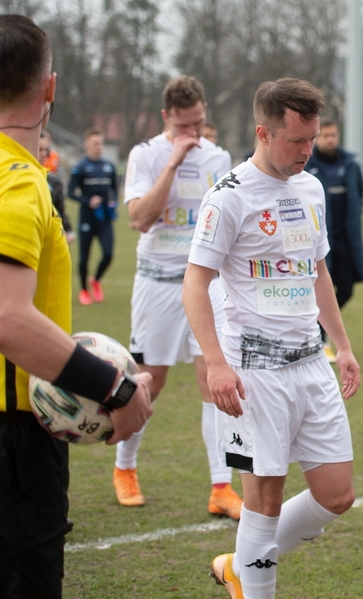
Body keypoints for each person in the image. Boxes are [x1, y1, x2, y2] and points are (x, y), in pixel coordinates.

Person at [184, 78, 361, 599]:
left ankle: (241, 566)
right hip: (253, 368)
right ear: (263, 132)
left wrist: (343, 346)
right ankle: (255, 583)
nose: (308, 151)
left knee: (337, 494)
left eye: (311, 139)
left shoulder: (311, 188)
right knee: (263, 496)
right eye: (296, 141)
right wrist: (216, 363)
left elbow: (319, 271)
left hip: (311, 361)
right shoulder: (228, 197)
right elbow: (195, 284)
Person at [0, 15, 152, 598]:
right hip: (13, 444)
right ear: (50, 89)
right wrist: (114, 389)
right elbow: (10, 319)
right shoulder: (19, 182)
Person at [120, 75, 243, 518]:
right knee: (150, 380)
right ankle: (125, 467)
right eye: (186, 125)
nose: (195, 133)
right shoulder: (146, 155)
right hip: (157, 282)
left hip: (206, 287)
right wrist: (172, 163)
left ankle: (220, 487)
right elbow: (139, 218)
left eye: (200, 123)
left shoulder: (219, 157)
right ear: (167, 118)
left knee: (215, 380)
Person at [305, 117, 363, 361]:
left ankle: (320, 328)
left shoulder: (350, 164)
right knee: (319, 287)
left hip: (346, 240)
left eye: (333, 135)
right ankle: (320, 339)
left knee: (347, 288)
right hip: (320, 240)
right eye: (325, 136)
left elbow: (359, 195)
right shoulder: (310, 164)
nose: (330, 140)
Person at [68, 129, 118, 305]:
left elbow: (115, 189)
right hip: (87, 219)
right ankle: (83, 290)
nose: (99, 147)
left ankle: (95, 280)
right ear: (86, 144)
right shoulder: (80, 167)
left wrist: (114, 202)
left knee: (108, 254)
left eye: (101, 143)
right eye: (95, 143)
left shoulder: (109, 167)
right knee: (84, 257)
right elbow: (70, 192)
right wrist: (87, 201)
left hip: (104, 219)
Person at [39, 131, 75, 244]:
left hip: (50, 233)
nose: (44, 154)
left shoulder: (53, 180)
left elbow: (60, 209)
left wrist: (68, 230)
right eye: (40, 149)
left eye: (45, 150)